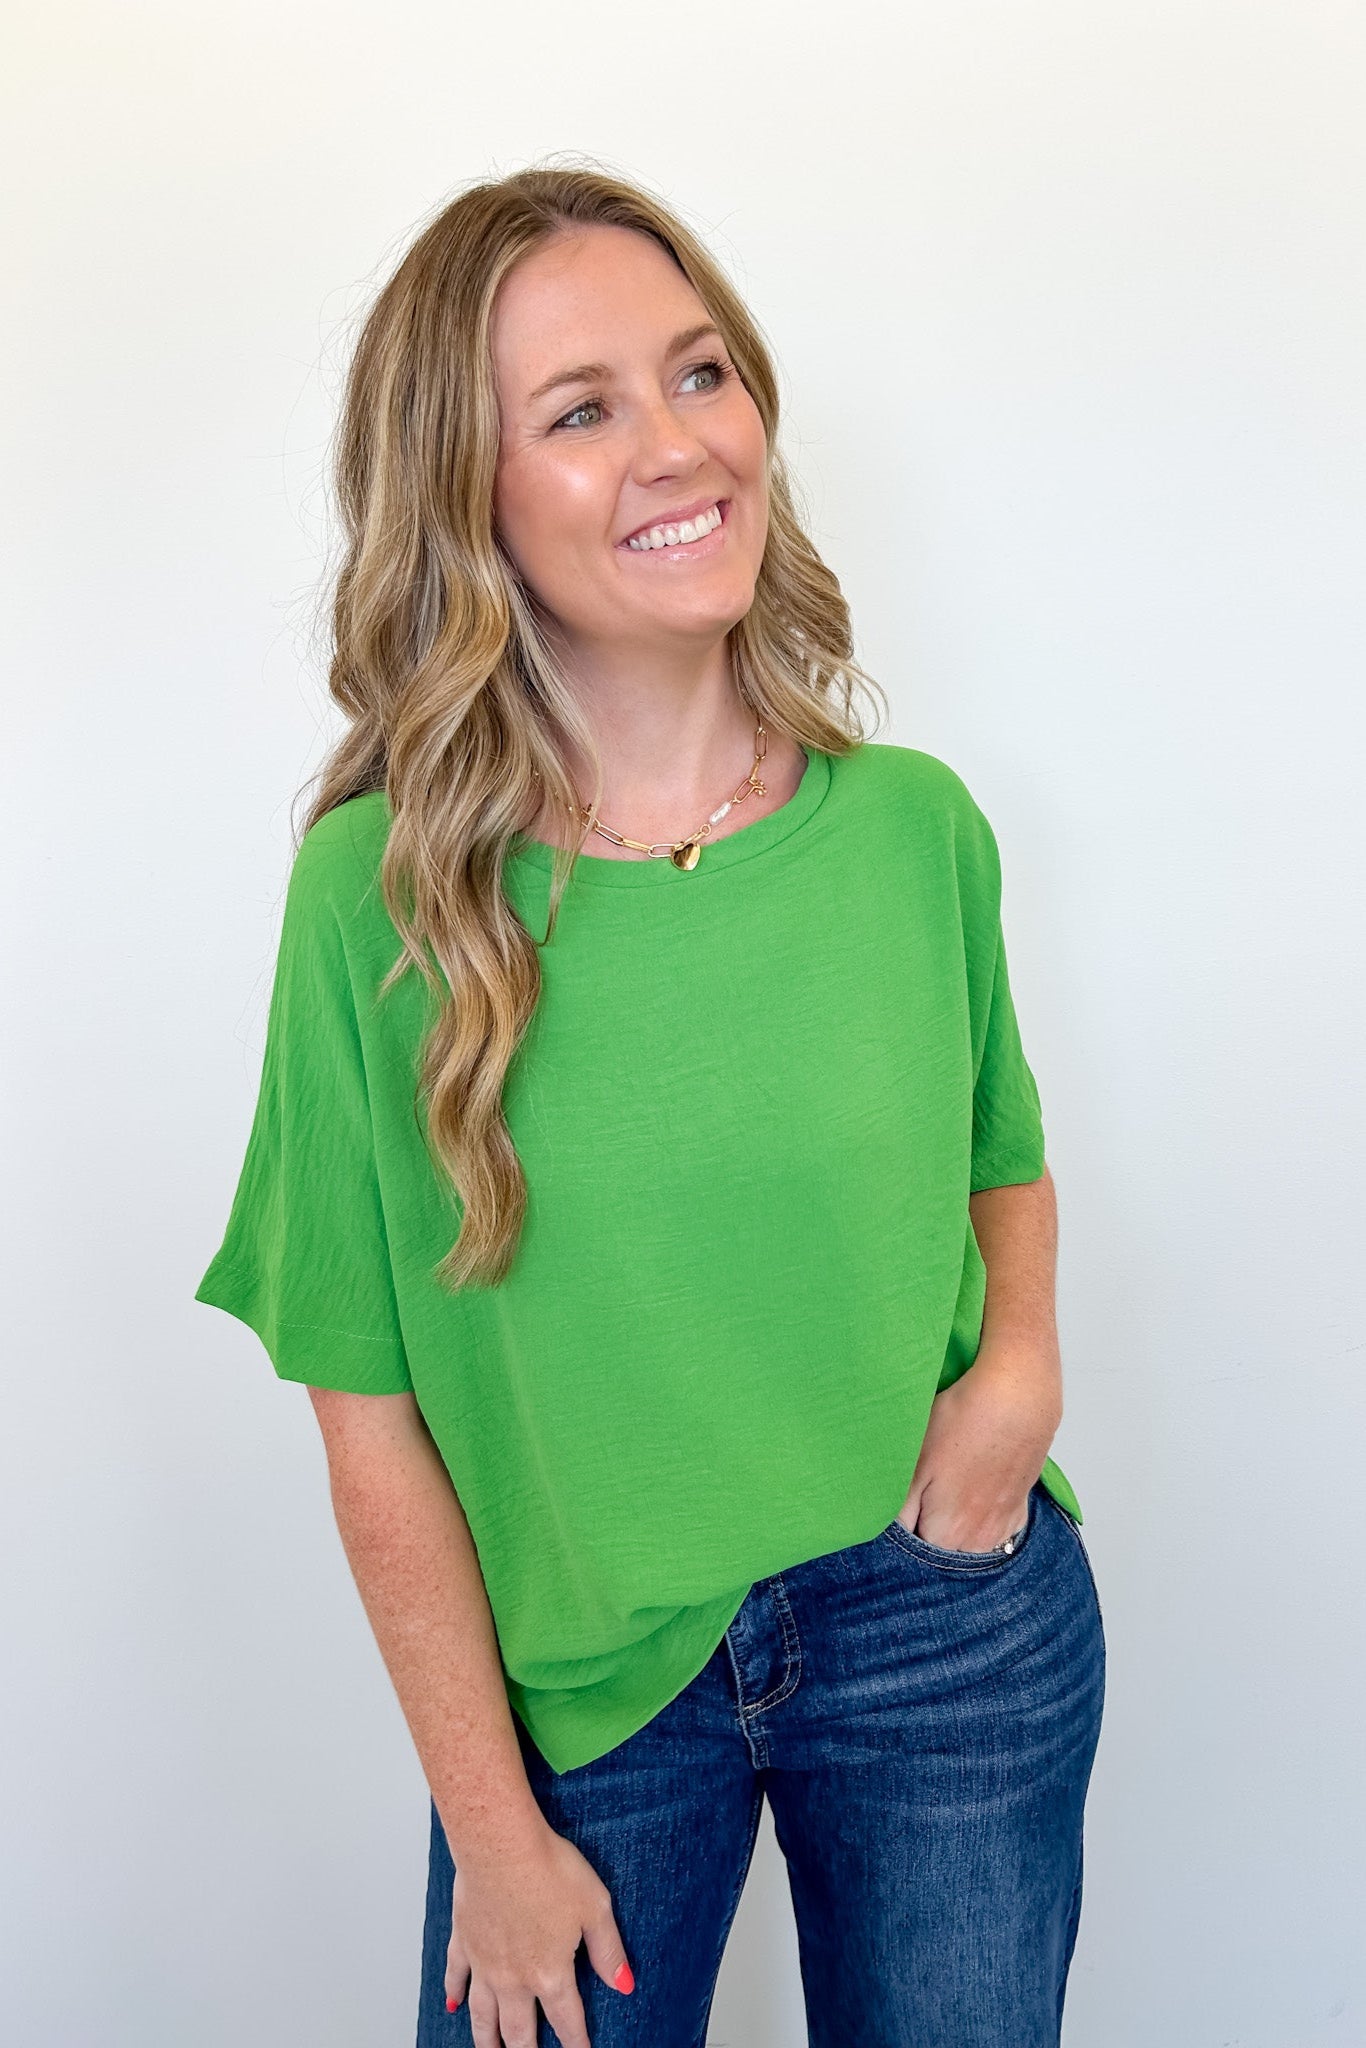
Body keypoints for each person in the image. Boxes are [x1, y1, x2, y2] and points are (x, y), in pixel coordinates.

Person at [194, 162, 1106, 2048]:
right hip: (581, 1695)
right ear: (474, 496)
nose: (679, 446)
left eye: (700, 375)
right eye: (583, 410)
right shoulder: (381, 899)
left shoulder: (911, 829)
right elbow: (366, 1424)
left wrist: (1013, 1381)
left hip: (943, 1615)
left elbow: (995, 1153)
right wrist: (488, 1828)